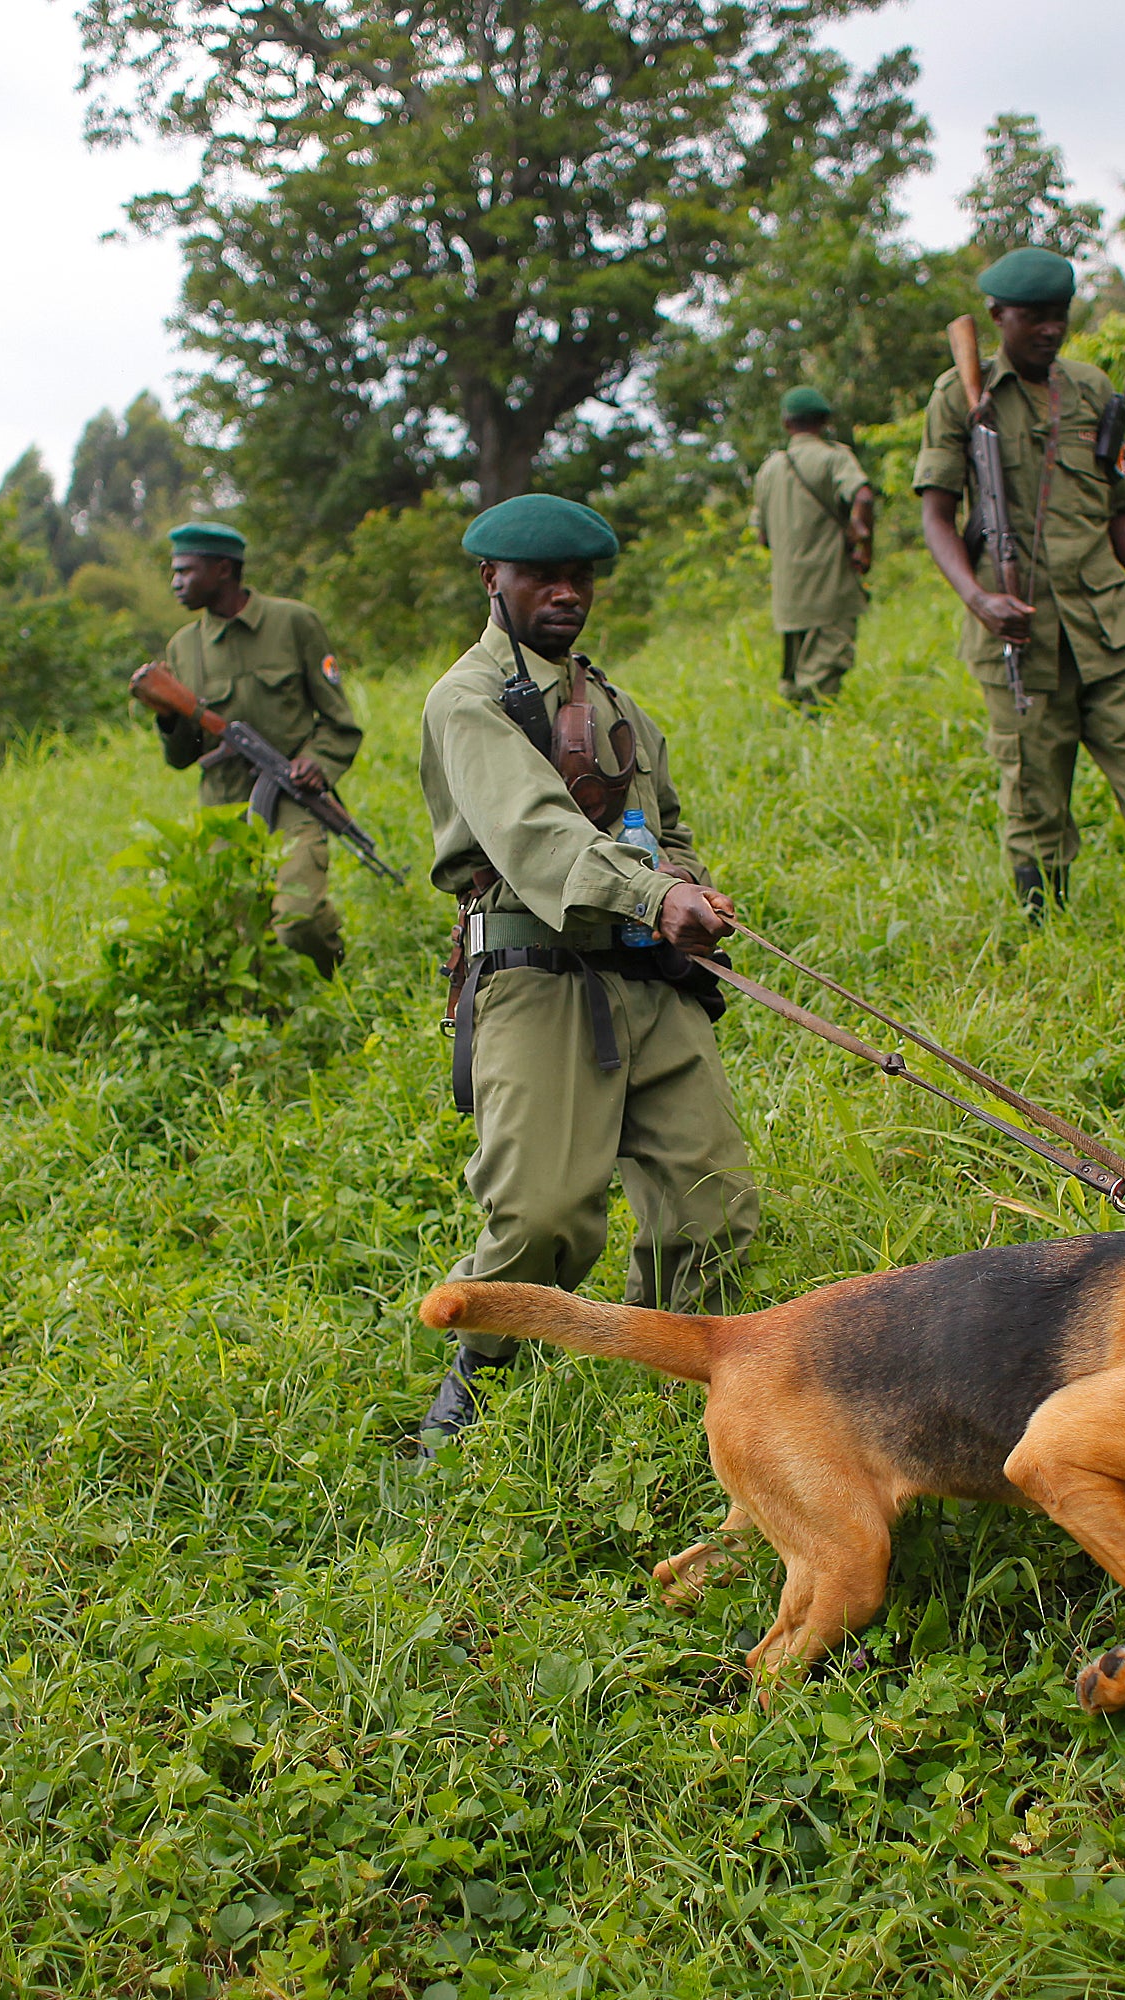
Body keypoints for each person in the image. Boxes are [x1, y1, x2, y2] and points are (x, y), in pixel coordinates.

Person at [414, 493, 759, 1450]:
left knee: (713, 1206)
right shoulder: (469, 699)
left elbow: (667, 824)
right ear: (494, 580)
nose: (567, 593)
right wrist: (653, 898)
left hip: (649, 980)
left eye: (582, 577)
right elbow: (532, 831)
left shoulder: (613, 704)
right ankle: (472, 1390)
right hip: (535, 971)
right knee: (541, 1219)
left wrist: (687, 891)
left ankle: (668, 1393)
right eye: (542, 577)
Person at [914, 246, 1125, 951]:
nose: (1050, 330)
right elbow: (936, 514)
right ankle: (1052, 945)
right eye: (1034, 318)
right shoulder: (960, 395)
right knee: (1035, 796)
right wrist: (977, 599)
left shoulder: (1092, 390)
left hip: (1108, 626)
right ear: (999, 316)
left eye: (1059, 316)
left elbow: (1120, 505)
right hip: (1019, 632)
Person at [148, 521, 364, 976]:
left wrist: (316, 764)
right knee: (241, 941)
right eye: (175, 572)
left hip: (291, 797)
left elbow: (340, 724)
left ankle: (333, 976)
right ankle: (272, 1028)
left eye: (186, 571)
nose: (176, 583)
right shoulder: (183, 648)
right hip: (223, 808)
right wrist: (169, 716)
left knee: (299, 919)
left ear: (223, 569)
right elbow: (182, 757)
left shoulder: (294, 623)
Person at [749, 386, 876, 712]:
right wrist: (865, 546)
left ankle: (794, 732)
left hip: (789, 592)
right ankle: (815, 728)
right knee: (826, 668)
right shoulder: (834, 457)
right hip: (829, 586)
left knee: (794, 673)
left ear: (786, 423)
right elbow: (862, 496)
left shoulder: (769, 469)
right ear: (824, 421)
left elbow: (761, 536)